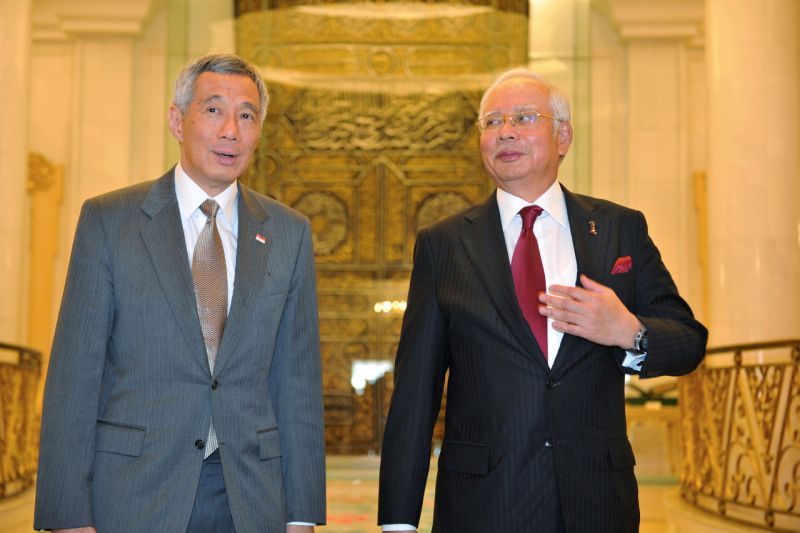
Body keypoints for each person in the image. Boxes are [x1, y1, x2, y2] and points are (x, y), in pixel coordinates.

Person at [377, 68, 707, 532]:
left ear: (563, 136)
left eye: (524, 117)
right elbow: (416, 391)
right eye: (491, 123)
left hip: (598, 504)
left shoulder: (619, 229)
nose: (505, 132)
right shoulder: (445, 244)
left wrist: (628, 332)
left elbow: (690, 342)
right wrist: (398, 522)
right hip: (484, 505)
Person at [34, 54, 325, 533]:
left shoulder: (289, 234)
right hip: (134, 493)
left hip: (251, 498)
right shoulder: (110, 222)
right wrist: (67, 515)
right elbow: (75, 376)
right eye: (213, 110)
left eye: (247, 115)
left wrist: (301, 515)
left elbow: (297, 382)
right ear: (177, 120)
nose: (231, 129)